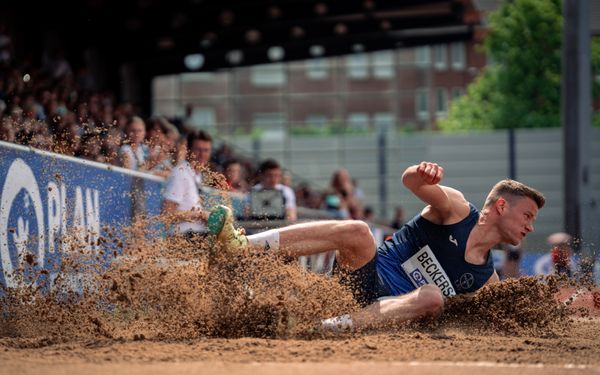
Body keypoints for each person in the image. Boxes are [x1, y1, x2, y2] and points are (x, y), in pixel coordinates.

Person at [207, 161, 545, 332]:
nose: (530, 226)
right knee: (358, 230)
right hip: (363, 279)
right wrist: (421, 171)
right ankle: (240, 246)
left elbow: (508, 321)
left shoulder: (486, 280)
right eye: (527, 215)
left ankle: (328, 330)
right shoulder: (456, 209)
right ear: (501, 206)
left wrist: (572, 304)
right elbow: (411, 181)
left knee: (431, 297)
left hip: (382, 315)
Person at [162, 130, 213, 237]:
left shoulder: (197, 175)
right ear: (189, 150)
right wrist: (200, 215)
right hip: (183, 237)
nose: (202, 154)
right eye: (198, 150)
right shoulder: (180, 173)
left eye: (206, 150)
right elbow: (167, 214)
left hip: (197, 235)